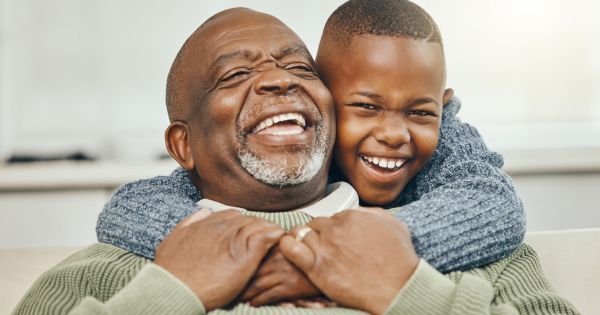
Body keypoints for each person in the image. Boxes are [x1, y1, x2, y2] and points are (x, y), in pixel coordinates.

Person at [14, 5, 578, 315]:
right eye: (236, 75)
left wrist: (411, 291)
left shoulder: (474, 248)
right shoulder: (114, 269)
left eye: (300, 69)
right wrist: (170, 292)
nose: (279, 78)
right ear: (182, 145)